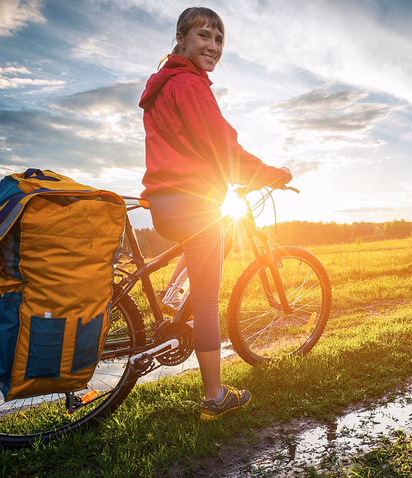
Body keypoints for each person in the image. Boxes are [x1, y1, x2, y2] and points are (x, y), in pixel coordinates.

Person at [139, 7, 291, 420]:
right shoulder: (188, 84)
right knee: (207, 303)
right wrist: (271, 174)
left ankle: (172, 303)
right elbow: (222, 144)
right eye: (204, 35)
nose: (213, 46)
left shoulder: (163, 85)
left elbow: (196, 145)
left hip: (167, 201)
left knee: (199, 256)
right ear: (182, 38)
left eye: (219, 39)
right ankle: (215, 396)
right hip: (193, 201)